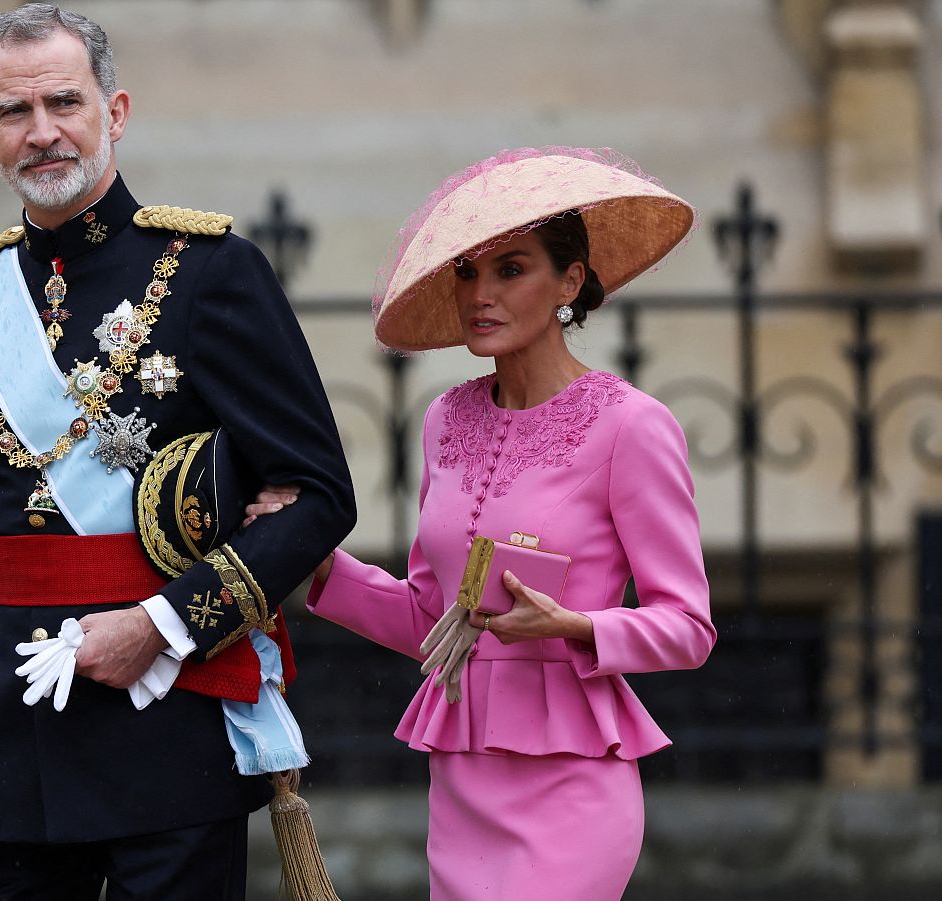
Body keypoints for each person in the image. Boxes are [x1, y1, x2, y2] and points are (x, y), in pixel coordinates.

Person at [0, 5, 355, 900]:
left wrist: (162, 626)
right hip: (4, 752)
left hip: (164, 734)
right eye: (15, 113)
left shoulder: (209, 271)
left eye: (64, 102)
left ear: (113, 111)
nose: (42, 133)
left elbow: (320, 495)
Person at [270, 148, 716, 900]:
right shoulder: (445, 419)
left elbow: (689, 626)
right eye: (468, 272)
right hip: (463, 788)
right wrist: (319, 565)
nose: (481, 293)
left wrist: (573, 624)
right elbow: (428, 618)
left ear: (570, 282)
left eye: (511, 269)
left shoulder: (632, 426)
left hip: (574, 789)